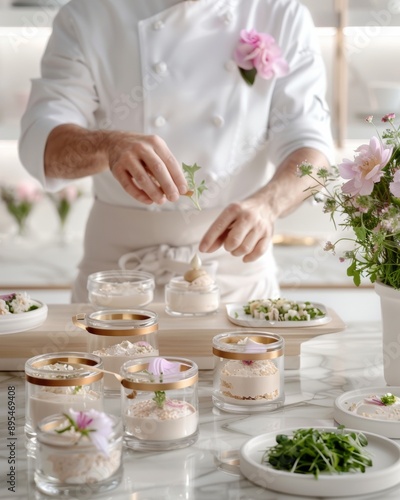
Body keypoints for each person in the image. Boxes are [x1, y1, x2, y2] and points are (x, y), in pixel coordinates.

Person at [19, 0, 333, 303]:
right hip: (115, 284)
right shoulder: (88, 14)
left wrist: (267, 205)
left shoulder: (281, 14)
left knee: (244, 361)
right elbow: (43, 146)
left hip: (235, 280)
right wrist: (107, 145)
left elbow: (313, 149)